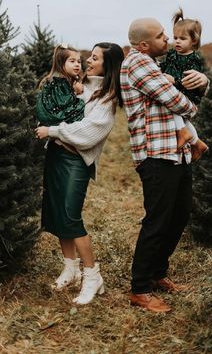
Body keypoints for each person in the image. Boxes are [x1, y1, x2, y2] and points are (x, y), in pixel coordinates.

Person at [120, 18, 209, 313]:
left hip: (177, 152)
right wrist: (192, 99)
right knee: (158, 220)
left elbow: (176, 96)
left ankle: (158, 273)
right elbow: (178, 102)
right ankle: (140, 288)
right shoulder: (138, 63)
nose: (167, 41)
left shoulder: (155, 64)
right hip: (156, 154)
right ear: (144, 44)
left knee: (179, 214)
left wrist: (203, 82)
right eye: (161, 36)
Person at [35, 42, 124, 305]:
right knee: (58, 213)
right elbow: (59, 110)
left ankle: (92, 275)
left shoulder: (107, 98)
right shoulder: (81, 88)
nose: (88, 61)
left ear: (107, 65)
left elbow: (88, 133)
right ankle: (70, 269)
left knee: (71, 217)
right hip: (57, 156)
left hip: (76, 161)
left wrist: (53, 131)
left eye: (95, 58)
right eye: (90, 57)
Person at [160, 8, 208, 161]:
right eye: (175, 37)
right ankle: (197, 143)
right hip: (175, 90)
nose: (177, 41)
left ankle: (184, 133)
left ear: (193, 40)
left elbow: (189, 82)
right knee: (183, 118)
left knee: (173, 109)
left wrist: (174, 81)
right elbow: (163, 66)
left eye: (182, 38)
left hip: (187, 93)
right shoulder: (172, 54)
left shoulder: (193, 60)